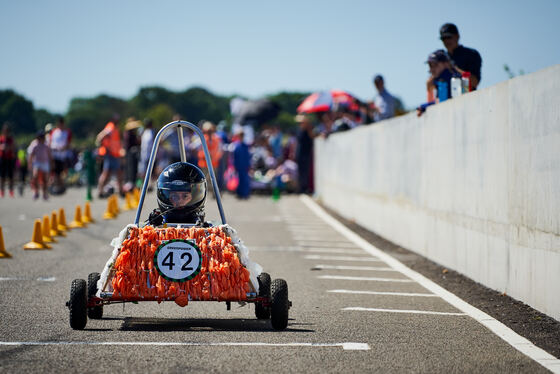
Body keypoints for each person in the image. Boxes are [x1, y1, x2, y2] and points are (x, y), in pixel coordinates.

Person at [439, 23, 482, 90]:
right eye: (443, 38)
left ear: (457, 36)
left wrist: (453, 68)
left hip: (467, 97)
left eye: (449, 37)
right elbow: (431, 87)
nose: (446, 41)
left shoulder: (471, 54)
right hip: (447, 100)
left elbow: (475, 82)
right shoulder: (441, 58)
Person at [96, 117, 124, 198]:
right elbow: (100, 136)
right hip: (110, 154)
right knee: (107, 173)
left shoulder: (115, 128)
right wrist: (102, 147)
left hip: (115, 154)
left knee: (115, 173)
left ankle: (120, 190)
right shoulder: (110, 128)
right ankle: (101, 191)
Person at [197, 121, 223, 196]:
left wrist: (215, 157)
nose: (209, 132)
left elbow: (219, 150)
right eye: (208, 130)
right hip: (204, 163)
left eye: (211, 130)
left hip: (214, 163)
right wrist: (205, 156)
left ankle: (214, 193)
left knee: (213, 179)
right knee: (205, 179)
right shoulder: (202, 138)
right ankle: (203, 194)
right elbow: (198, 150)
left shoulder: (216, 139)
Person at [49, 117, 72, 194]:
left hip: (62, 156)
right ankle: (55, 186)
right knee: (54, 172)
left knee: (59, 173)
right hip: (53, 155)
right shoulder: (54, 132)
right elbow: (50, 142)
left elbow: (68, 144)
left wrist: (62, 148)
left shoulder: (67, 132)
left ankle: (60, 186)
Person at [27, 131, 52, 200]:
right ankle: (36, 192)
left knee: (45, 179)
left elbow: (50, 155)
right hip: (37, 162)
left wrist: (52, 163)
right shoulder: (34, 145)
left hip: (45, 162)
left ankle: (44, 194)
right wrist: (29, 163)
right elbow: (31, 155)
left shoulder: (46, 145)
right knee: (35, 176)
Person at [295, 114, 315, 194]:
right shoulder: (299, 131)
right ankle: (301, 187)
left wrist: (309, 129)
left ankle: (305, 188)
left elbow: (312, 138)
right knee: (300, 171)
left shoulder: (309, 130)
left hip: (306, 153)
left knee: (305, 171)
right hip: (300, 153)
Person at [123, 117, 141, 192]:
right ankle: (130, 185)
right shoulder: (129, 133)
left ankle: (132, 184)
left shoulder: (131, 133)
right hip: (130, 153)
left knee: (133, 170)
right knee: (131, 170)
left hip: (132, 153)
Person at [232, 129, 251, 199]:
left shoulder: (245, 146)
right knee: (238, 180)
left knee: (245, 180)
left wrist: (248, 165)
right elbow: (235, 157)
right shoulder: (236, 146)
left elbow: (248, 156)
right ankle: (239, 193)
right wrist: (234, 165)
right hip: (239, 165)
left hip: (244, 165)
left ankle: (245, 194)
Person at [0, 123, 16, 198]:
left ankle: (11, 190)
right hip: (2, 158)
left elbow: (13, 148)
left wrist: (8, 147)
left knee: (10, 176)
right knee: (2, 176)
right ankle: (2, 190)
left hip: (9, 158)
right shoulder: (1, 139)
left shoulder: (11, 139)